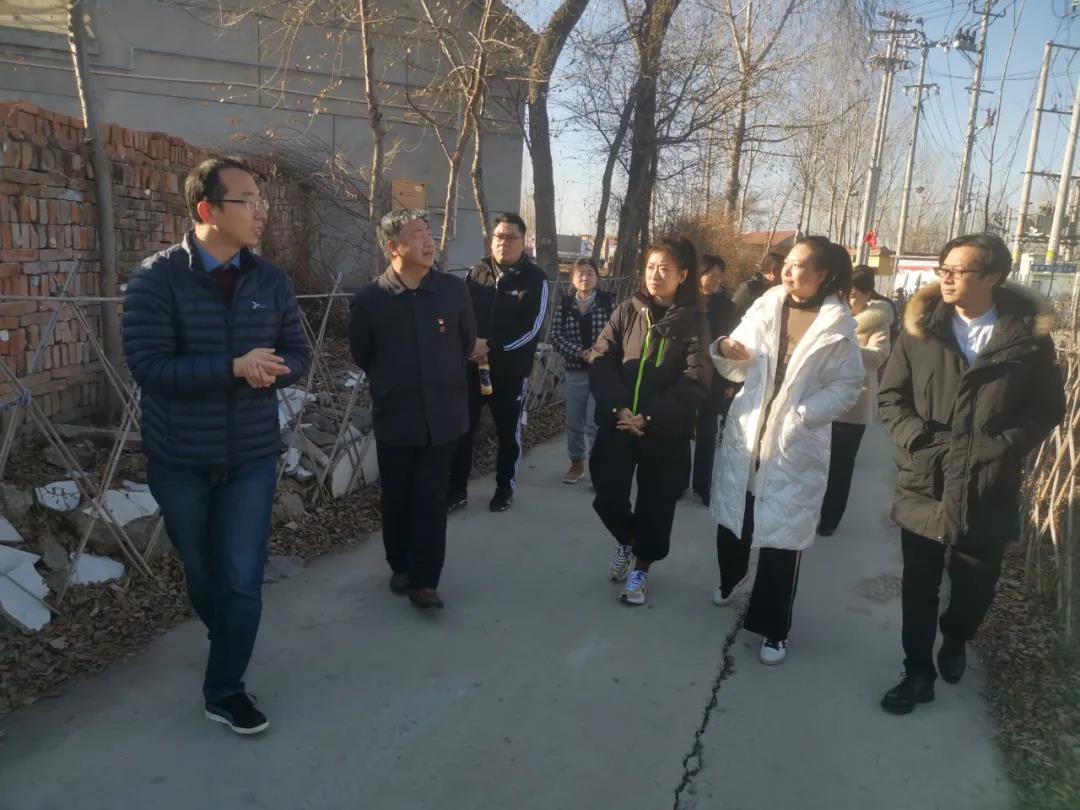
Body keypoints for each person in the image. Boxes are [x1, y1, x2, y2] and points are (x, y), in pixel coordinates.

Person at [123, 157, 309, 735]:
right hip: (180, 457)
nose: (261, 211)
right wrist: (233, 366)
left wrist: (273, 369)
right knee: (203, 573)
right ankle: (224, 632)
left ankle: (226, 689)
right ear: (207, 209)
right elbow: (150, 368)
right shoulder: (156, 279)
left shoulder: (270, 280)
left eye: (262, 200)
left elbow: (298, 353)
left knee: (241, 577)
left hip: (251, 456)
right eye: (247, 200)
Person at [878, 233, 1065, 715]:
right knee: (918, 585)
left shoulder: (1026, 340)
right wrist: (917, 440)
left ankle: (957, 636)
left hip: (988, 481)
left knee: (975, 587)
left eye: (958, 271)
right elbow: (891, 396)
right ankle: (917, 673)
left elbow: (1047, 407)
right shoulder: (921, 330)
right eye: (943, 269)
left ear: (993, 277)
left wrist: (1005, 445)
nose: (946, 278)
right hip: (926, 479)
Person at [709, 236, 863, 665]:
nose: (787, 271)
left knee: (782, 539)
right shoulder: (766, 304)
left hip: (794, 443)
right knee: (734, 519)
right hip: (749, 431)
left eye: (799, 265)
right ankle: (730, 578)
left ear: (823, 274)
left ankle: (774, 629)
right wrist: (724, 348)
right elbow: (734, 362)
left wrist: (803, 414)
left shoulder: (837, 325)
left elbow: (848, 385)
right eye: (787, 264)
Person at [349, 210, 476, 610]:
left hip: (444, 415)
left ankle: (425, 580)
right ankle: (400, 564)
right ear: (393, 247)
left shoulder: (452, 290)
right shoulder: (371, 300)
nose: (428, 241)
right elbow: (363, 354)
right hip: (396, 416)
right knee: (397, 496)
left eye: (429, 233)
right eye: (417, 234)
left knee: (431, 497)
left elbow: (466, 342)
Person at [590, 237, 710, 606]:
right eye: (651, 268)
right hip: (619, 422)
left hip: (664, 431)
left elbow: (696, 378)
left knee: (656, 504)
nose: (655, 275)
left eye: (665, 269)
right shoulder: (628, 311)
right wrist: (619, 407)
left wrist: (651, 416)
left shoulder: (693, 320)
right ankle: (628, 540)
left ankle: (641, 567)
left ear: (682, 275)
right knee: (607, 494)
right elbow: (602, 358)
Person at [448, 213, 549, 513]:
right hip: (471, 368)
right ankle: (457, 489)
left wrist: (491, 345)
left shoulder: (535, 279)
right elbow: (461, 315)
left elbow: (532, 327)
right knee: (462, 430)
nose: (504, 243)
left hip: (509, 371)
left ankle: (504, 489)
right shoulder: (475, 273)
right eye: (499, 237)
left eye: (511, 238)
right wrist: (470, 345)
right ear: (491, 240)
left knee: (508, 433)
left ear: (524, 242)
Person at [817, 267, 893, 536]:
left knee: (840, 466)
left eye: (852, 295)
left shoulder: (877, 321)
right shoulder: (829, 316)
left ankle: (830, 518)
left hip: (853, 406)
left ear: (867, 295)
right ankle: (810, 511)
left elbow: (877, 356)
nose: (846, 300)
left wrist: (844, 348)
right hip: (821, 401)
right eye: (842, 294)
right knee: (815, 462)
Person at [549, 258, 616, 484]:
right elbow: (555, 335)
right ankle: (576, 464)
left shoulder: (608, 302)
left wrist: (596, 352)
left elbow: (618, 333)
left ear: (597, 277)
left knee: (594, 422)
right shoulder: (565, 304)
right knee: (574, 421)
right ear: (573, 279)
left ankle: (599, 468)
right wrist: (579, 352)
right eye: (580, 274)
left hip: (602, 372)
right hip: (575, 371)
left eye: (589, 273)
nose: (585, 278)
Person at [693, 253, 736, 504]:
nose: (715, 280)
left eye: (719, 276)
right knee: (679, 432)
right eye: (710, 275)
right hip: (685, 374)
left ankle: (703, 486)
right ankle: (677, 482)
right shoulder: (686, 301)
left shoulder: (727, 306)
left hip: (715, 376)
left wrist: (731, 382)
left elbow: (733, 343)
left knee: (707, 433)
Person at [732, 250, 784, 323]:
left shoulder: (778, 291)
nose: (787, 275)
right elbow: (731, 315)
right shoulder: (749, 289)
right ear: (774, 271)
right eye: (784, 270)